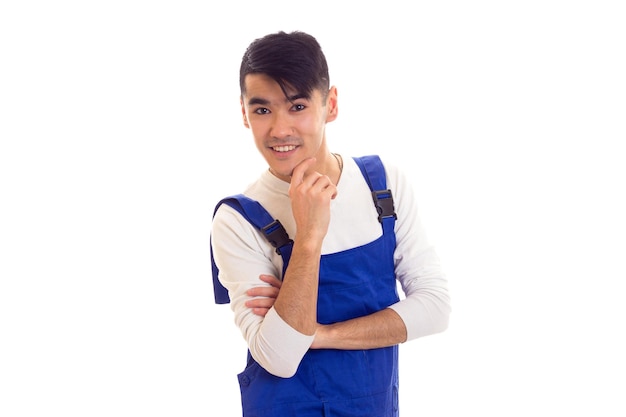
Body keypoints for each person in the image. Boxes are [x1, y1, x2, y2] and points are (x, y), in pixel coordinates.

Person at [210, 30, 451, 417]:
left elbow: (435, 308)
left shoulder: (382, 186)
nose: (280, 129)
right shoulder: (239, 219)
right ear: (243, 113)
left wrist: (320, 335)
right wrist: (308, 238)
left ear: (331, 105)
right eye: (262, 110)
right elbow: (280, 357)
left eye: (298, 106)